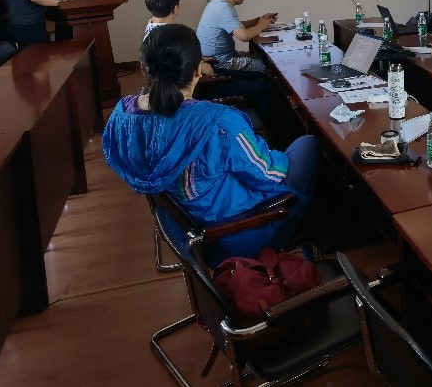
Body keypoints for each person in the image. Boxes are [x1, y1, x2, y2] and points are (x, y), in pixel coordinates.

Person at [102, 24, 317, 261]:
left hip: (190, 233)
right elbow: (267, 173)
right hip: (238, 231)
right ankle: (322, 244)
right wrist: (278, 156)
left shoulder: (121, 118)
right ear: (198, 70)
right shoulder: (217, 122)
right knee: (309, 145)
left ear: (143, 68)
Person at [195, 0, 277, 73]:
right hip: (220, 63)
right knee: (270, 66)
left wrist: (259, 20)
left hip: (217, 58)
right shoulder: (224, 8)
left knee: (264, 57)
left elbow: (237, 26)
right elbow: (244, 36)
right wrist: (261, 25)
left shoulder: (216, 3)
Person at [143, 0, 212, 75]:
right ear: (175, 9)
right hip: (180, 80)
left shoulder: (149, 29)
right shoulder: (179, 36)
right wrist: (204, 67)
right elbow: (188, 68)